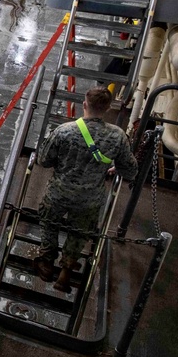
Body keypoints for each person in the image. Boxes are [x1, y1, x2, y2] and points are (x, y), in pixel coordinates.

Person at [33, 87, 138, 292]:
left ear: (84, 105)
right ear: (107, 109)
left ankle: (46, 264)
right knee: (79, 232)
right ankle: (65, 272)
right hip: (90, 198)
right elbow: (130, 171)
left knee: (49, 225)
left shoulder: (65, 131)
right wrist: (115, 167)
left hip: (58, 193)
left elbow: (43, 160)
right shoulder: (117, 137)